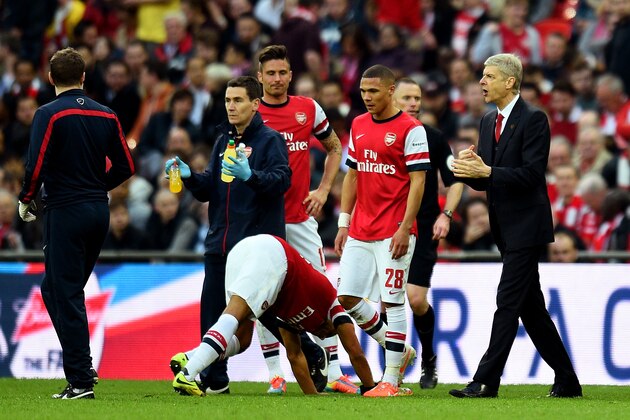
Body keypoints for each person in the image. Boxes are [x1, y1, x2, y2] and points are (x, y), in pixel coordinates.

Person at [165, 76, 325, 395]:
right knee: (211, 312)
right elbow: (211, 186)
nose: (231, 106)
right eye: (227, 100)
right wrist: (190, 177)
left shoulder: (270, 140)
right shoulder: (222, 138)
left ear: (255, 104)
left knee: (271, 314)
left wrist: (251, 177)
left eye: (238, 100)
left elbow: (281, 181)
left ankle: (310, 352)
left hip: (255, 245)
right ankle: (216, 380)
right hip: (220, 242)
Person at [449, 53, 582, 398]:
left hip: (527, 225)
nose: (481, 82)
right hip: (504, 227)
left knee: (507, 300)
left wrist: (488, 172)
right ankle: (567, 379)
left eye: (489, 76)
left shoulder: (534, 119)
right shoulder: (487, 121)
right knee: (530, 308)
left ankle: (485, 380)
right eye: (482, 76)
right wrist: (471, 171)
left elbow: (533, 174)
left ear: (510, 82)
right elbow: (488, 180)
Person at [17, 47, 135, 399]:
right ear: (84, 76)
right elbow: (127, 165)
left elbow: (35, 164)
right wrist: (98, 187)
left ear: (50, 78)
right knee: (57, 290)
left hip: (64, 211)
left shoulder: (48, 114)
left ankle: (81, 379)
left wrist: (26, 199)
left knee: (64, 292)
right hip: (98, 212)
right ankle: (82, 368)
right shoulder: (107, 114)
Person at [171, 234, 377, 396]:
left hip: (241, 253)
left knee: (242, 340)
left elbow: (295, 355)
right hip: (274, 256)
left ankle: (189, 357)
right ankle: (188, 374)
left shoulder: (294, 319)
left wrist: (313, 396)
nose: (324, 336)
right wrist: (369, 387)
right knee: (232, 315)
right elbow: (355, 352)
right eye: (330, 332)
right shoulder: (333, 304)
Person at [255, 44, 350, 394]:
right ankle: (275, 375)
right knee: (262, 294)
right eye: (271, 74)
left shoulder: (307, 109)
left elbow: (335, 147)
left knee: (323, 290)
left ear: (290, 75)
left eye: (283, 73)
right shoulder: (250, 112)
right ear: (260, 77)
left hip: (299, 217)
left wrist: (324, 190)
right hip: (262, 221)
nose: (277, 79)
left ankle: (337, 369)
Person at [334, 65, 430, 397]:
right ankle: (399, 351)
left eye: (373, 91)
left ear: (390, 91)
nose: (367, 97)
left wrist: (406, 228)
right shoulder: (358, 124)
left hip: (394, 232)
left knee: (393, 302)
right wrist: (344, 222)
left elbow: (418, 182)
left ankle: (390, 379)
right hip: (360, 229)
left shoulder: (411, 129)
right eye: (363, 91)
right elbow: (352, 175)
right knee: (345, 298)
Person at [392, 77, 464, 389]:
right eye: (407, 97)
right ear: (393, 99)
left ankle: (429, 359)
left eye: (417, 98)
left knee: (416, 299)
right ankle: (391, 368)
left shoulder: (433, 138)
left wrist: (446, 214)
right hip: (385, 228)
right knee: (386, 301)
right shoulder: (380, 135)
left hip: (421, 229)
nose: (414, 104)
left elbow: (456, 178)